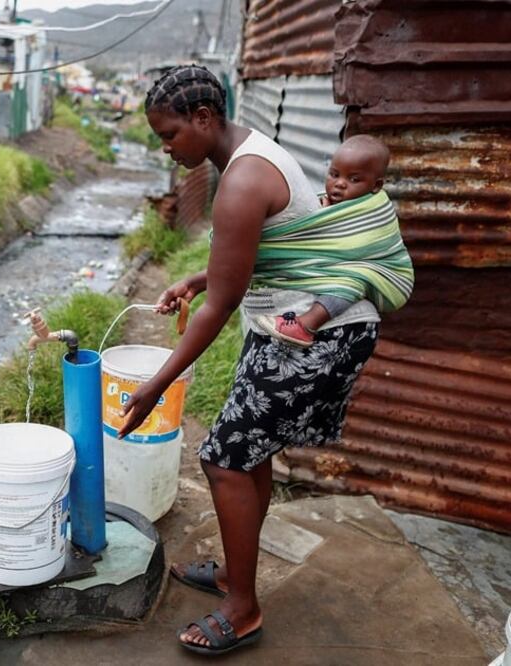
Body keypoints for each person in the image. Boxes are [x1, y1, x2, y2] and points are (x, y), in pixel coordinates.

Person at [117, 64, 382, 656]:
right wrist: (194, 277)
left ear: (204, 119)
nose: (166, 149)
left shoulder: (241, 180)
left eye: (169, 135)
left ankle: (243, 610)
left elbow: (223, 303)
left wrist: (158, 384)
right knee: (245, 452)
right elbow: (252, 254)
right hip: (289, 326)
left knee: (225, 461)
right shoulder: (246, 158)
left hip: (317, 333)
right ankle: (237, 578)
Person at [252, 135, 413, 347]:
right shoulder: (325, 203)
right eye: (334, 174)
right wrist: (325, 217)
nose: (339, 184)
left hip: (387, 277)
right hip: (354, 267)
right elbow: (322, 241)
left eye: (353, 179)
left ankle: (306, 325)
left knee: (350, 280)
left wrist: (326, 224)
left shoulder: (375, 209)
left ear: (376, 185)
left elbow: (359, 246)